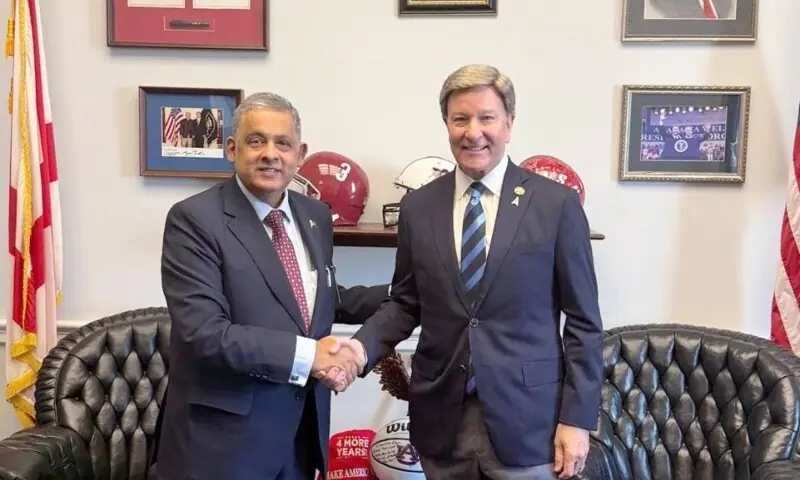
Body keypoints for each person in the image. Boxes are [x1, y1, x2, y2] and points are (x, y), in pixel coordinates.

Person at [332, 64, 604, 479]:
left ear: (509, 124)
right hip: (441, 421)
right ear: (446, 124)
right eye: (460, 118)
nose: (472, 131)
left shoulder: (556, 205)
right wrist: (360, 348)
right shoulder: (418, 208)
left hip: (531, 424)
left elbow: (584, 323)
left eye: (486, 117)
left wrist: (578, 419)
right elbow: (406, 302)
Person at [154, 91, 387, 480]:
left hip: (298, 436)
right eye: (256, 141)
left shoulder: (314, 216)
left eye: (283, 143)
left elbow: (317, 301)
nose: (270, 154)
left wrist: (407, 293)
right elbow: (205, 334)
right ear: (232, 148)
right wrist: (311, 355)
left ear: (300, 154)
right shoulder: (194, 220)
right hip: (222, 448)